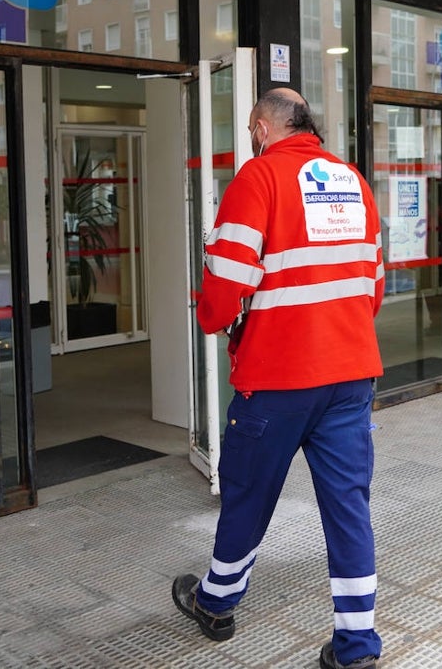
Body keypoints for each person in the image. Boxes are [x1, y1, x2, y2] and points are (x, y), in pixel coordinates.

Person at [172, 88, 385, 669]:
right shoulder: (353, 182)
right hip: (350, 374)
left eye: (250, 129)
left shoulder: (258, 178)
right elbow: (374, 285)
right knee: (348, 506)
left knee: (248, 493)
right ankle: (358, 646)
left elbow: (226, 283)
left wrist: (213, 320)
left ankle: (215, 603)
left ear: (262, 127)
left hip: (278, 379)